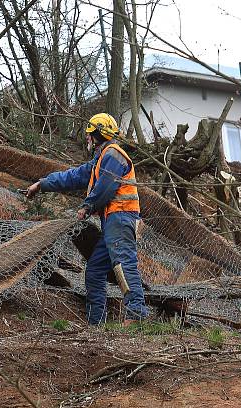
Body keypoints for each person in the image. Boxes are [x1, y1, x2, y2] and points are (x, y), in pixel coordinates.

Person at [26, 113, 150, 326]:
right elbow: (73, 177)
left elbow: (106, 187)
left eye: (90, 134)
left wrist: (87, 206)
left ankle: (136, 314)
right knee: (94, 270)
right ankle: (96, 324)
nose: (87, 139)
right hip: (112, 220)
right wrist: (42, 184)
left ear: (98, 135)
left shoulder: (114, 155)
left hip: (120, 218)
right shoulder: (100, 160)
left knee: (123, 264)